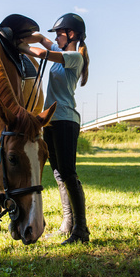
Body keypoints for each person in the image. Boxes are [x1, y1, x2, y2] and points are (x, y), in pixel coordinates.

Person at [18, 13, 90, 245]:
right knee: (59, 175)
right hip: (51, 122)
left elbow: (43, 53)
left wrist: (20, 46)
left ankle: (81, 231)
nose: (56, 37)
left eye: (60, 33)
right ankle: (67, 225)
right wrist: (34, 36)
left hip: (66, 121)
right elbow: (43, 42)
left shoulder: (73, 57)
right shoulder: (64, 52)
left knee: (68, 173)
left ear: (72, 35)